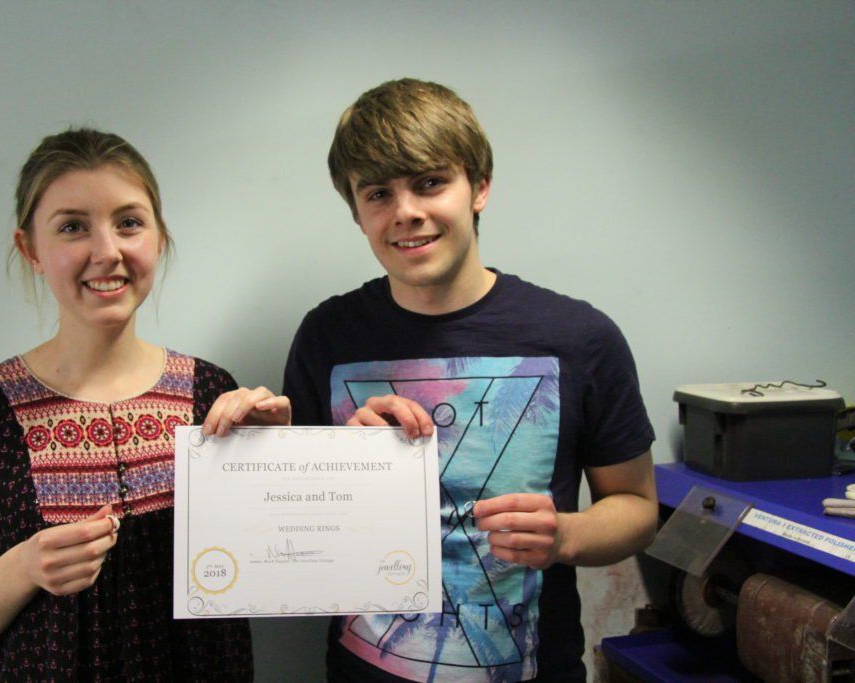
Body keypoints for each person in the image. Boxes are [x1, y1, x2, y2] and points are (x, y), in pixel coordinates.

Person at [282, 79, 657, 682]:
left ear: (479, 187)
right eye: (379, 193)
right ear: (357, 214)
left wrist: (568, 536)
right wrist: (328, 462)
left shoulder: (580, 337)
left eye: (430, 182)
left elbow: (638, 508)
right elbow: (295, 525)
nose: (406, 211)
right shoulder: (327, 335)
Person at [0, 128, 288, 680]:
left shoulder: (210, 392)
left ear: (158, 238)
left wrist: (279, 462)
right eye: (73, 227)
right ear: (30, 249)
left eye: (128, 222)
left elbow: (274, 567)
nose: (107, 252)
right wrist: (22, 569)